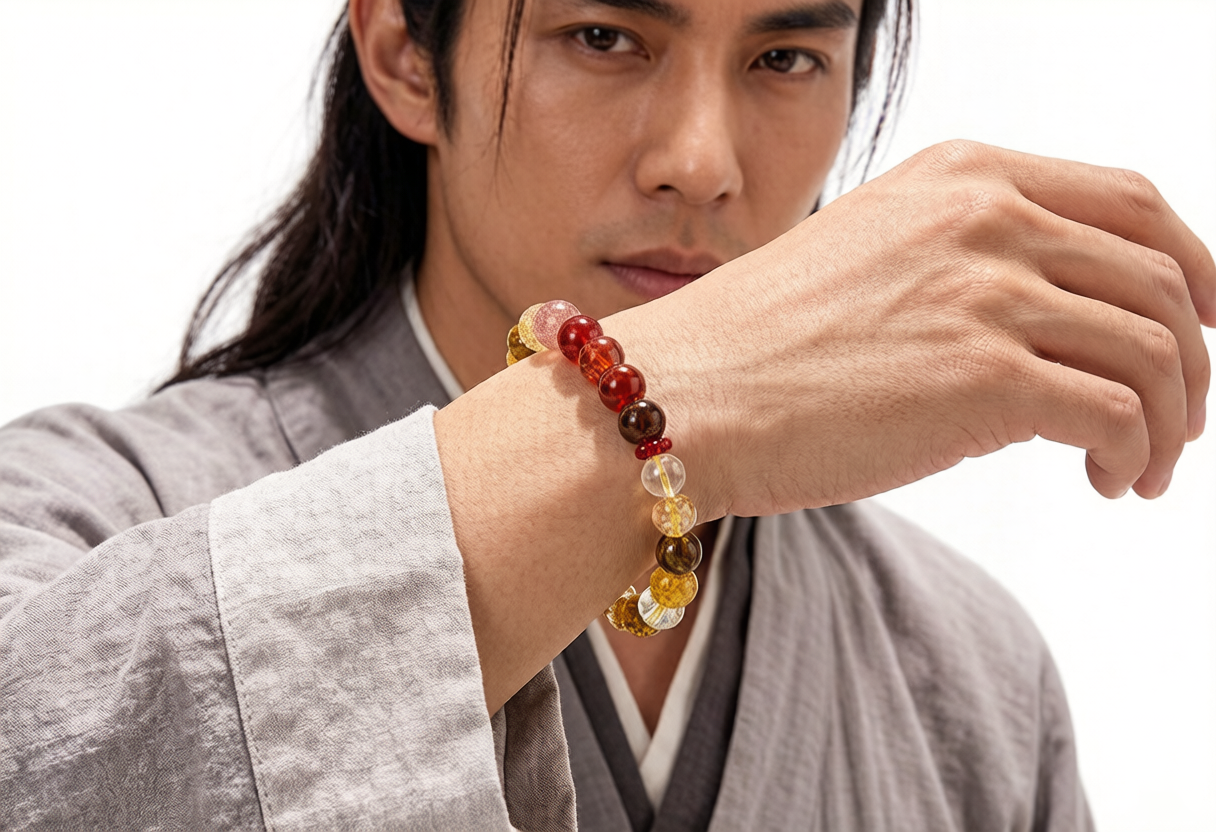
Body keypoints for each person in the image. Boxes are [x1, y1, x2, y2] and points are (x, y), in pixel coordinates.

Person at [2, 0, 1213, 829]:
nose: (701, 159)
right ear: (407, 55)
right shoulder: (86, 518)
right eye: (604, 36)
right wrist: (670, 398)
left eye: (786, 57)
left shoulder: (970, 676)